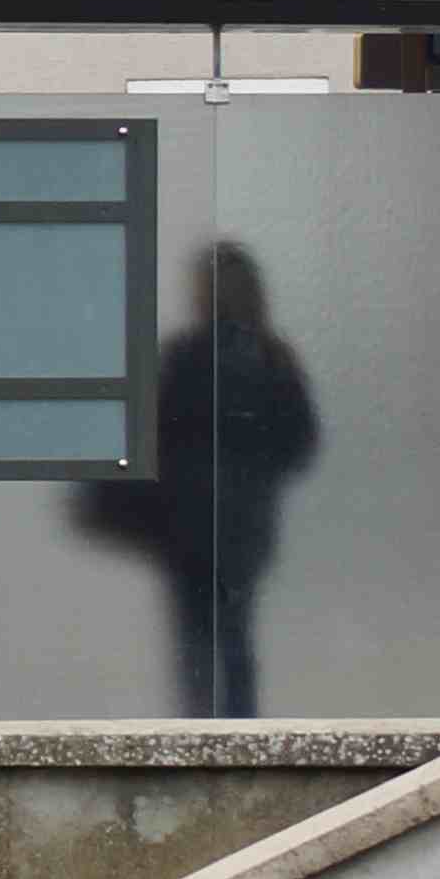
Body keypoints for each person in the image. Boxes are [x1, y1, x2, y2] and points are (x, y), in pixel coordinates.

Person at [150, 241, 320, 718]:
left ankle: (199, 736)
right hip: (245, 524)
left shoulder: (185, 355)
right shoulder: (272, 357)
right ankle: (239, 732)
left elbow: (158, 435)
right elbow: (300, 442)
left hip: (188, 524)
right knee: (235, 636)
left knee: (197, 641)